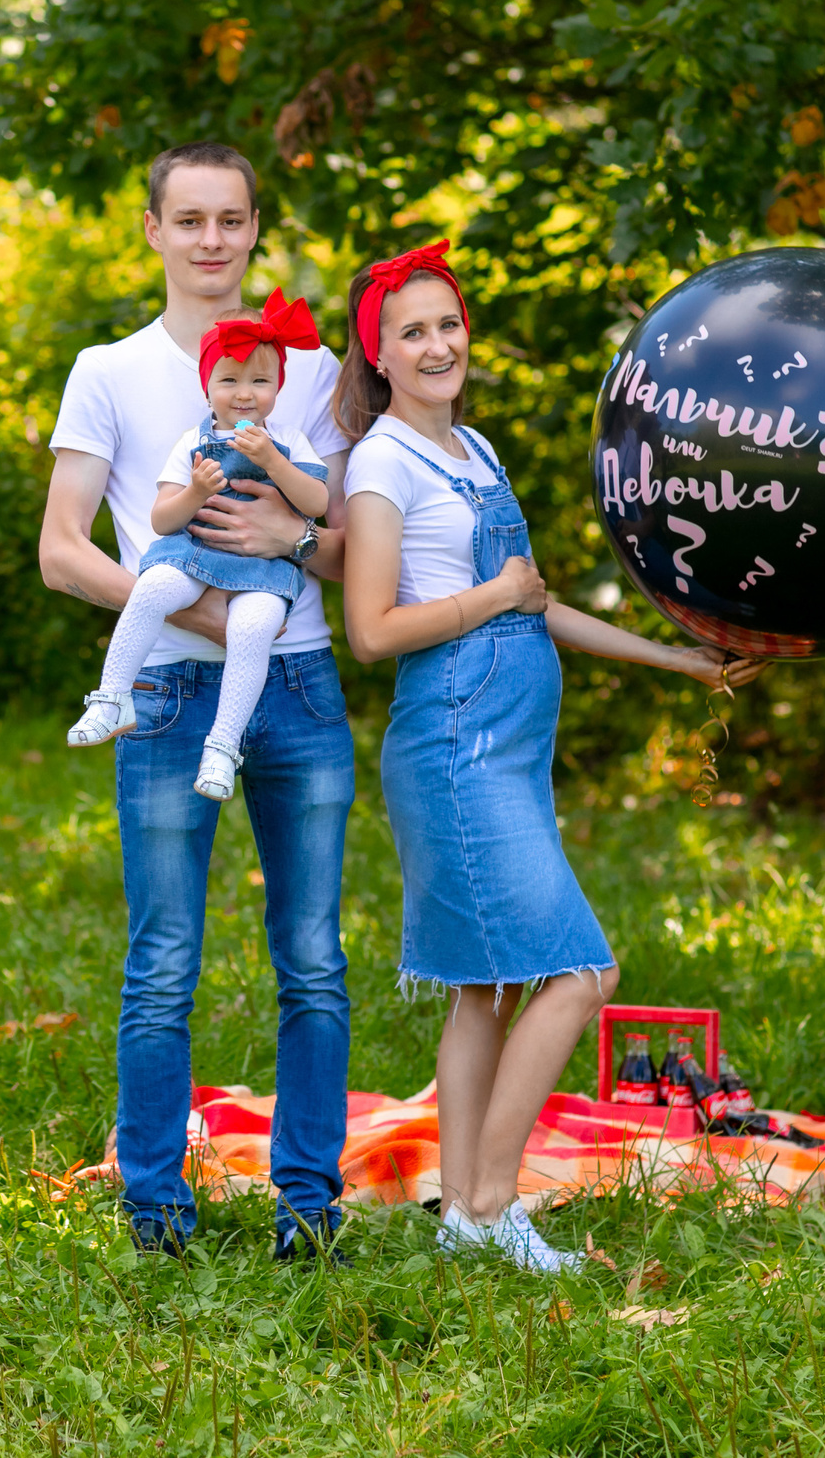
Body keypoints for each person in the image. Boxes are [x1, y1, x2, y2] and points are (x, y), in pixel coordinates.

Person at [335, 240, 764, 1276]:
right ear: (379, 356)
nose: (437, 345)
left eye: (448, 324)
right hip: (454, 742)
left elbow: (544, 604)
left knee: (482, 988)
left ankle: (464, 1218)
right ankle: (488, 1204)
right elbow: (372, 629)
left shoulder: (472, 451)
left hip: (507, 749)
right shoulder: (384, 463)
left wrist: (679, 660)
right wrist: (495, 597)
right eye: (412, 332)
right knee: (580, 970)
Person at [39, 142, 356, 1262]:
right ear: (152, 229)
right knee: (163, 958)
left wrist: (296, 539)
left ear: (256, 228)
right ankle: (156, 1210)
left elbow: (361, 545)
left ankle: (308, 1207)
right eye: (190, 220)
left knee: (312, 957)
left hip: (304, 689)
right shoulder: (108, 368)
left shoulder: (308, 369)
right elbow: (62, 552)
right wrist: (207, 621)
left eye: (231, 220)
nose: (211, 240)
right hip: (172, 695)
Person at [67, 293, 331, 803]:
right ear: (207, 386)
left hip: (262, 569)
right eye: (229, 380)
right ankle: (114, 696)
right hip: (196, 555)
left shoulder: (290, 441)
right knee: (154, 586)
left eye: (260, 381)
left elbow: (315, 500)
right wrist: (195, 492)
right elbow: (161, 519)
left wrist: (274, 463)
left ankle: (223, 746)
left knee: (254, 629)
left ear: (278, 387)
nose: (244, 394)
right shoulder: (192, 440)